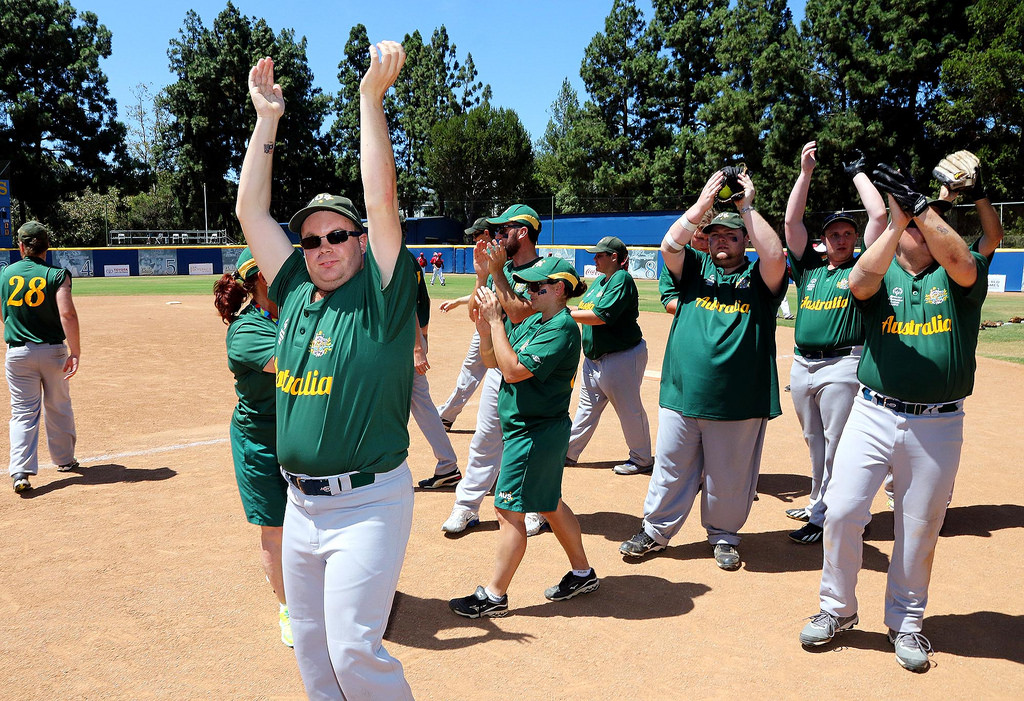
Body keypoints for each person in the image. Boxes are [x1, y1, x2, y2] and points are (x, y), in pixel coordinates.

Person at [235, 45, 416, 699]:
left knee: (352, 649)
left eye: (337, 235)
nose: (323, 247)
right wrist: (267, 119)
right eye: (311, 239)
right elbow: (251, 213)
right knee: (312, 652)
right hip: (301, 505)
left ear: (360, 241)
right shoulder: (294, 289)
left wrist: (370, 101)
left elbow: (382, 196)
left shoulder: (381, 293)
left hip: (368, 502)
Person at [798, 164, 989, 673]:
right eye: (913, 226)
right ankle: (837, 610)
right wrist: (896, 218)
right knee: (840, 511)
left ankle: (906, 622)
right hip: (873, 412)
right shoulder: (879, 277)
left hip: (938, 423)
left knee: (919, 525)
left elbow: (965, 263)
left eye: (932, 226)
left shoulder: (957, 279)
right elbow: (860, 280)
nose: (924, 232)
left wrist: (923, 210)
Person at [619, 169, 787, 571]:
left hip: (738, 401)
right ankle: (656, 530)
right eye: (715, 236)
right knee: (670, 469)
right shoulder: (694, 269)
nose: (722, 242)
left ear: (745, 240)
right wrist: (701, 207)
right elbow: (670, 245)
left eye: (731, 236)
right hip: (683, 393)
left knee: (728, 477)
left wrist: (746, 206)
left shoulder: (759, 278)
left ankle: (724, 536)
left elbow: (777, 255)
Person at [449, 258, 598, 617]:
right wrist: (487, 331)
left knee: (507, 509)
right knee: (548, 503)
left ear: (560, 290)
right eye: (528, 287)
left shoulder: (561, 328)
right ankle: (583, 573)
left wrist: (498, 321)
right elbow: (493, 361)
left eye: (537, 287)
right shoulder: (534, 320)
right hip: (529, 430)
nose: (529, 292)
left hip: (534, 433)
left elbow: (514, 371)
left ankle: (495, 596)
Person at [781, 141, 887, 544]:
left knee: (837, 443)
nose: (841, 239)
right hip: (802, 364)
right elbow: (792, 225)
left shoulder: (863, 266)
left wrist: (858, 173)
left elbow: (878, 214)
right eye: (833, 234)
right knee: (815, 442)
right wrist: (804, 173)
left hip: (843, 364)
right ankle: (819, 502)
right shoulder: (810, 269)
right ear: (823, 240)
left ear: (855, 239)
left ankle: (828, 515)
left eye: (847, 233)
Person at [441, 205, 545, 536]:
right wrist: (482, 274)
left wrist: (497, 273)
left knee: (530, 442)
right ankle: (466, 506)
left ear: (523, 233)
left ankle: (534, 507)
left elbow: (519, 314)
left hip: (533, 370)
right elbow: (476, 313)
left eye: (504, 230)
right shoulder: (500, 269)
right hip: (500, 367)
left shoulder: (547, 270)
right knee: (485, 439)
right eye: (496, 231)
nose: (497, 236)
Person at [213, 247, 291, 647]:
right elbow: (296, 362)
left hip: (299, 436)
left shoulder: (291, 314)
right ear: (262, 279)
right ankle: (288, 608)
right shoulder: (247, 329)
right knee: (275, 528)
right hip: (260, 441)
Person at [2, 221, 80, 494]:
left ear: (21, 246)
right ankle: (64, 460)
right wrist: (76, 351)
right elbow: (67, 314)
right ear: (47, 246)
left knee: (23, 412)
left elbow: (5, 314)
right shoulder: (57, 274)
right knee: (58, 405)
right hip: (53, 351)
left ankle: (20, 472)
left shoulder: (5, 274)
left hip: (18, 352)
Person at [565, 235, 653, 475]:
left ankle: (642, 458)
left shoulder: (621, 279)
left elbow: (599, 317)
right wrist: (564, 309)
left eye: (599, 255)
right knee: (586, 409)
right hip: (595, 359)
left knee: (629, 410)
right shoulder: (601, 282)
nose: (594, 258)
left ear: (614, 257)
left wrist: (563, 315)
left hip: (621, 357)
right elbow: (583, 310)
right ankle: (568, 453)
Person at [408, 250, 462, 489]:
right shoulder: (407, 260)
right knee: (422, 404)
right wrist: (423, 338)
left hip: (400, 343)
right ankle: (448, 465)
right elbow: (423, 301)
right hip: (409, 340)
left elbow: (407, 304)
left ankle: (378, 471)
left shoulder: (393, 260)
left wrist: (418, 346)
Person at [436, 218, 492, 431]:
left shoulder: (502, 258)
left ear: (486, 234)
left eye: (476, 236)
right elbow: (481, 292)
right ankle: (446, 416)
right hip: (484, 323)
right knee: (469, 371)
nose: (474, 240)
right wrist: (459, 302)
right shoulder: (486, 259)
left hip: (503, 326)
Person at [659, 211, 711, 315]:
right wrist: (708, 311)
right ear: (690, 235)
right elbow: (669, 301)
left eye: (709, 239)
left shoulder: (724, 260)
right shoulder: (677, 260)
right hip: (691, 324)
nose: (704, 244)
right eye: (700, 238)